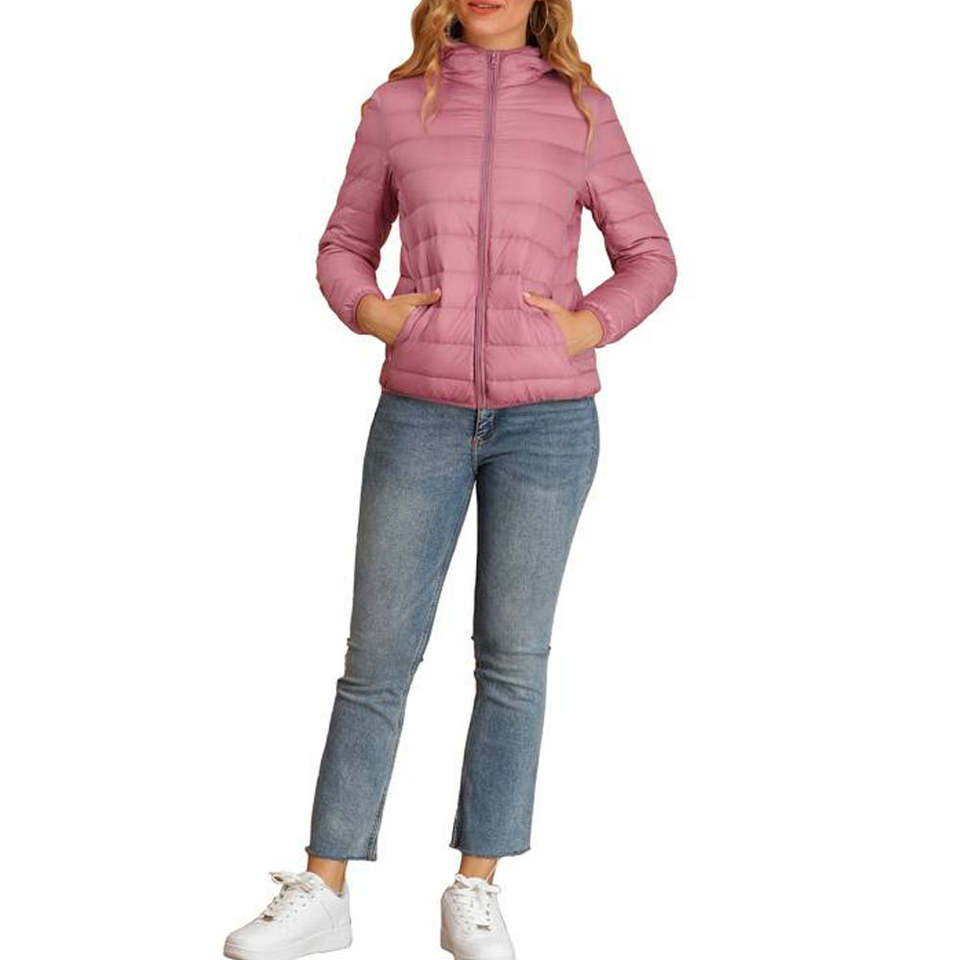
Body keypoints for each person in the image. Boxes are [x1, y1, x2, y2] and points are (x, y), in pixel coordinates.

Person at [224, 1, 675, 958]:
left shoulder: (583, 109)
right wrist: (374, 313)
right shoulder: (397, 106)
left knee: (513, 660)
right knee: (378, 658)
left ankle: (476, 887)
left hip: (549, 426)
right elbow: (342, 245)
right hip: (420, 414)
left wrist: (587, 326)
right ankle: (325, 888)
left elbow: (650, 257)